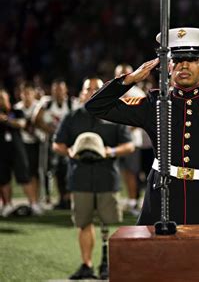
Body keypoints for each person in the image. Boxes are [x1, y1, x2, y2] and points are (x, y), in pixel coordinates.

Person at [85, 28, 199, 250]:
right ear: (169, 66)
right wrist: (131, 79)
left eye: (192, 60)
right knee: (155, 266)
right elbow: (96, 106)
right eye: (178, 60)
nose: (184, 65)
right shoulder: (155, 103)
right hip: (161, 197)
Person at [53, 77, 134, 279]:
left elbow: (130, 145)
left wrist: (111, 151)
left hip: (107, 176)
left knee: (110, 223)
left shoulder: (114, 115)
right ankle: (86, 265)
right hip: (80, 177)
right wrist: (69, 151)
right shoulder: (72, 117)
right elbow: (57, 144)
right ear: (81, 93)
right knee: (84, 223)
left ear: (103, 92)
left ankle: (108, 264)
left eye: (96, 89)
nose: (91, 92)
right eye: (87, 89)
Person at [35, 78, 80, 209]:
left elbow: (78, 120)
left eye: (60, 89)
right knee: (50, 170)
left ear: (65, 89)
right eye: (55, 89)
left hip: (68, 142)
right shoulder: (47, 103)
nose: (58, 92)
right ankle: (52, 197)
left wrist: (65, 133)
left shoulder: (72, 103)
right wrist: (50, 130)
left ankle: (67, 198)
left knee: (68, 169)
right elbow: (36, 119)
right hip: (50, 141)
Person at [0, 88, 43, 217]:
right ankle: (7, 204)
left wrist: (6, 120)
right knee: (3, 179)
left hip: (17, 149)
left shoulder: (16, 111)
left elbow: (22, 124)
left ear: (7, 98)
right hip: (1, 151)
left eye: (2, 98)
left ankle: (33, 203)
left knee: (25, 177)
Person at [113, 63, 147, 216]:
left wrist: (121, 133)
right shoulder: (113, 92)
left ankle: (133, 202)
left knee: (132, 172)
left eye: (125, 73)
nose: (123, 76)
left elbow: (139, 119)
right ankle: (124, 200)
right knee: (121, 172)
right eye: (120, 74)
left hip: (132, 141)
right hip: (116, 141)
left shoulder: (137, 93)